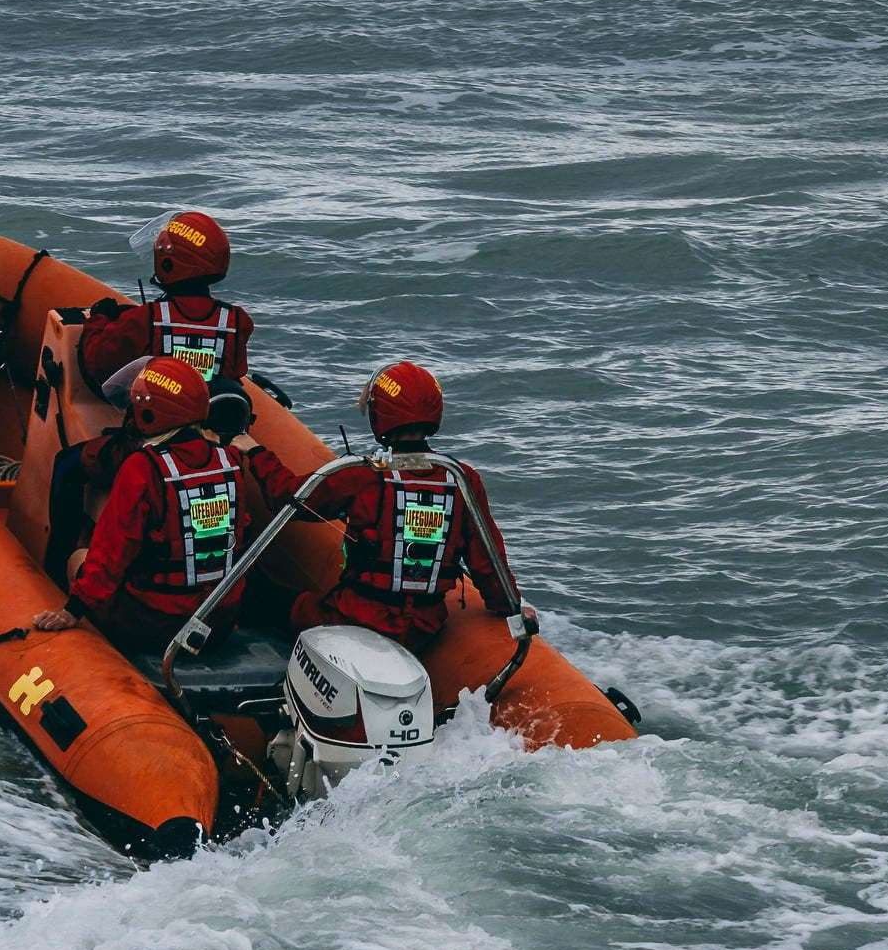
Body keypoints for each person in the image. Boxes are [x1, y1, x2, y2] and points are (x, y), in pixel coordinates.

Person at [32, 357, 295, 648]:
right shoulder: (230, 459)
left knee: (78, 559)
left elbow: (112, 551)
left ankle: (94, 652)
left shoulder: (143, 467)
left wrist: (72, 611)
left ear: (147, 413)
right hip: (218, 620)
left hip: (154, 623)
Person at [287, 361, 524, 652]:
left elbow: (288, 498)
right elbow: (488, 562)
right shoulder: (460, 479)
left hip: (356, 617)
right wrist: (509, 606)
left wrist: (254, 452)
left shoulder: (363, 476)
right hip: (423, 628)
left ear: (380, 414)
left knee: (294, 604)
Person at [78, 210, 255, 390]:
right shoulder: (237, 321)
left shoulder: (145, 319)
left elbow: (97, 361)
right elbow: (234, 371)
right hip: (214, 413)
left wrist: (98, 318)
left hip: (161, 415)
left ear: (168, 263)